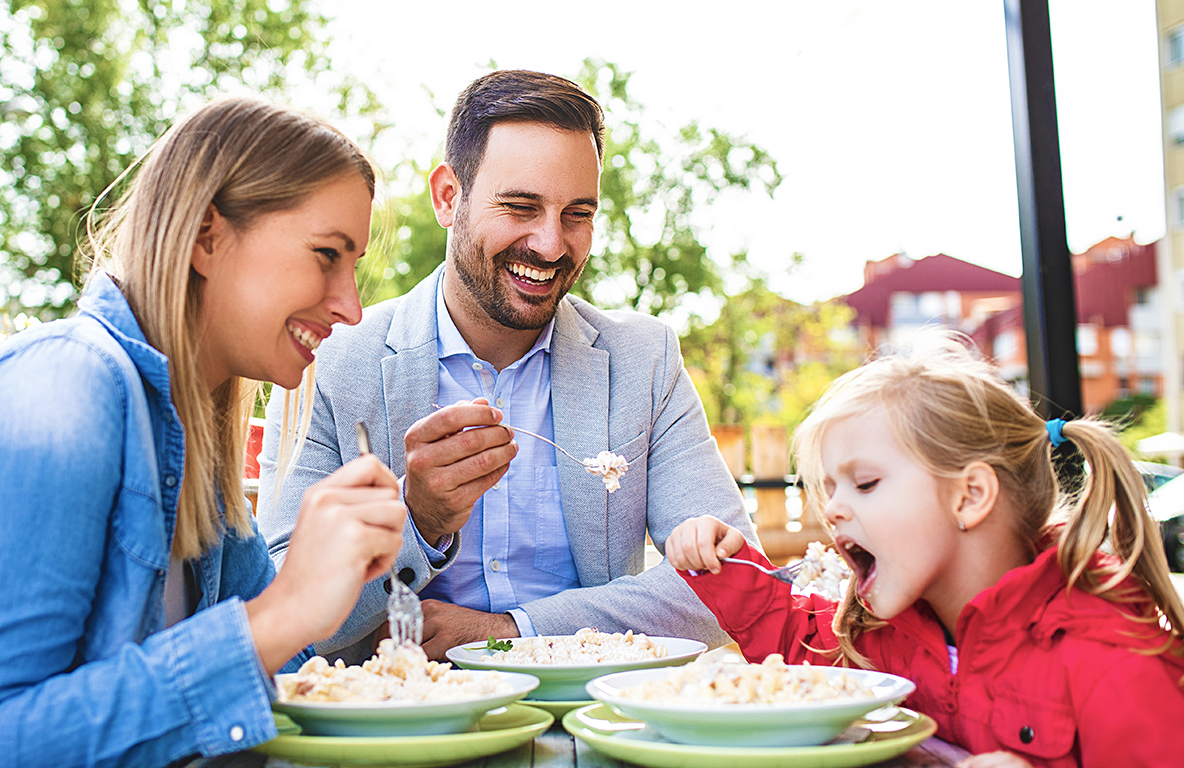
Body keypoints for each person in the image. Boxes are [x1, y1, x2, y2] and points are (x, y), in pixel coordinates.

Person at [0, 97, 408, 768]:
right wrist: (282, 614)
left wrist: (332, 579)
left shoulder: (194, 437)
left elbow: (282, 669)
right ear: (206, 237)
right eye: (326, 255)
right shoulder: (62, 394)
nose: (352, 307)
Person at [257, 69, 757, 662]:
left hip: (592, 735)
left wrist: (512, 631)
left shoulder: (643, 360)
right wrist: (414, 519)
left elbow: (732, 586)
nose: (550, 244)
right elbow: (278, 607)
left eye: (577, 214)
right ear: (448, 197)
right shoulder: (342, 359)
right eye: (521, 208)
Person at [666, 335, 1184, 768]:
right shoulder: (888, 634)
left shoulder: (1114, 662)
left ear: (970, 496)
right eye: (829, 490)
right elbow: (809, 651)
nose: (834, 510)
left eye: (864, 483)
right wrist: (727, 570)